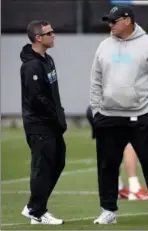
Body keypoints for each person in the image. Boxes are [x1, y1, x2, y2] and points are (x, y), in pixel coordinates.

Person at [90, 5, 148, 225]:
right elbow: (96, 80)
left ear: (128, 20)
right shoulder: (104, 45)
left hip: (142, 114)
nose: (110, 25)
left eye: (114, 21)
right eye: (109, 21)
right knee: (107, 165)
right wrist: (96, 109)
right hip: (108, 115)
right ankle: (108, 210)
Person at [20, 20, 67, 225]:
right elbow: (37, 98)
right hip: (39, 125)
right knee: (42, 168)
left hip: (52, 124)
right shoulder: (31, 65)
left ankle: (35, 207)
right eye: (50, 33)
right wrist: (55, 117)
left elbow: (53, 95)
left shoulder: (48, 60)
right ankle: (36, 210)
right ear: (39, 38)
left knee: (58, 162)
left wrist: (60, 115)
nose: (53, 35)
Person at [86, 106, 148, 200]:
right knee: (130, 141)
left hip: (96, 109)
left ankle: (118, 187)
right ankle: (135, 188)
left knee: (111, 146)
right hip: (111, 110)